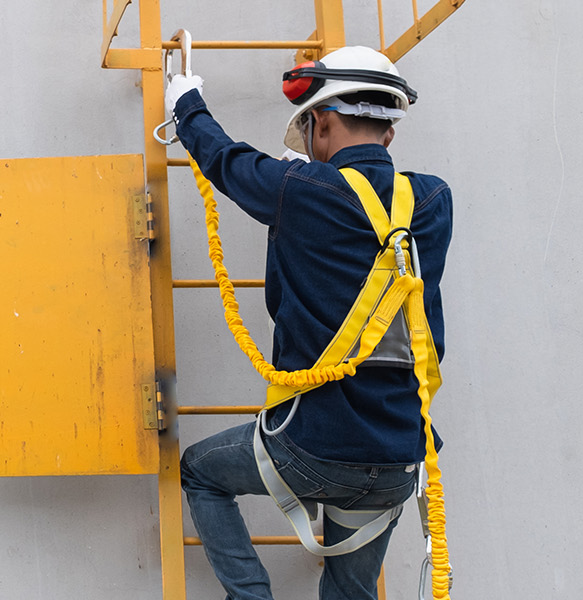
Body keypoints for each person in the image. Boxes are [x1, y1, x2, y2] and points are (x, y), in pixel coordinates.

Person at [164, 46, 452, 600]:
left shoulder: (300, 192)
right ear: (390, 131)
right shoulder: (435, 200)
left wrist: (186, 102)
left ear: (319, 122)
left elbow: (226, 160)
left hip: (313, 448)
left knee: (200, 470)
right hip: (399, 456)